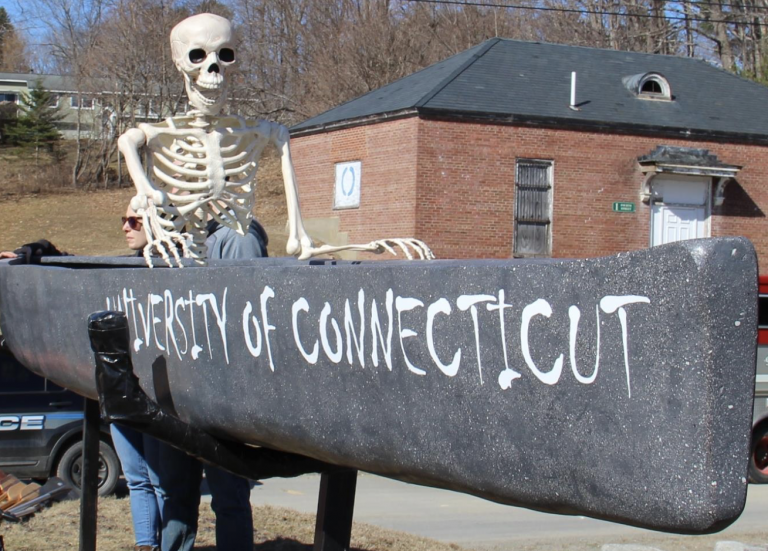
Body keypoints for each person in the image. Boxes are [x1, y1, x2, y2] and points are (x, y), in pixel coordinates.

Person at [123, 204, 263, 551]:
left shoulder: (237, 237)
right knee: (176, 495)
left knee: (228, 497)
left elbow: (245, 317)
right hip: (175, 392)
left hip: (219, 398)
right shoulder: (179, 241)